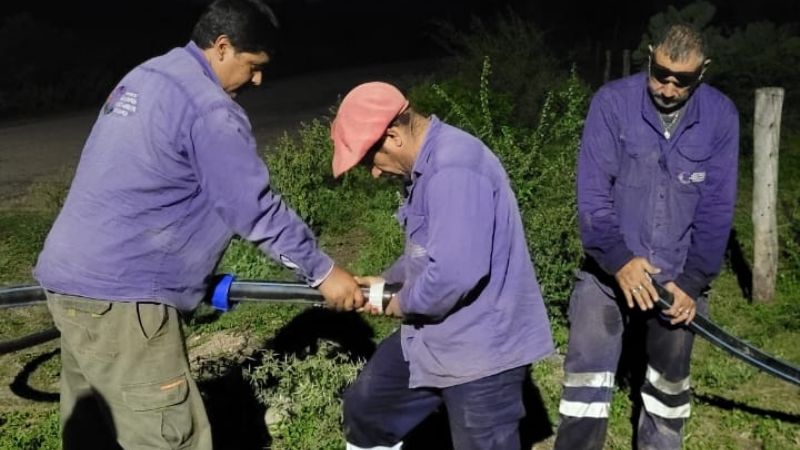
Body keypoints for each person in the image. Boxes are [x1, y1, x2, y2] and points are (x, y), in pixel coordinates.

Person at [33, 1, 364, 448]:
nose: (258, 79)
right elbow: (254, 208)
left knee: (95, 434)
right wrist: (324, 272)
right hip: (127, 300)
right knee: (169, 437)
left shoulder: (147, 76)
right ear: (222, 47)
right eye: (253, 66)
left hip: (69, 283)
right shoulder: (209, 109)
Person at [329, 81, 555, 450]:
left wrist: (394, 303)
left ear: (392, 136)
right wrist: (386, 281)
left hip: (482, 349)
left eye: (372, 159)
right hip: (431, 334)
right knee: (366, 410)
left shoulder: (455, 169)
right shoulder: (425, 167)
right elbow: (427, 251)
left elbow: (453, 276)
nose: (373, 172)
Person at [553, 24, 739, 449]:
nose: (669, 88)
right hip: (608, 270)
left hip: (676, 276)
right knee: (586, 380)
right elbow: (593, 197)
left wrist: (691, 284)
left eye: (683, 80)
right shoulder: (612, 103)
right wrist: (619, 260)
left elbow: (716, 209)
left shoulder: (721, 116)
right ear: (651, 55)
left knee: (668, 386)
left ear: (703, 71)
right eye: (660, 73)